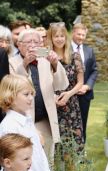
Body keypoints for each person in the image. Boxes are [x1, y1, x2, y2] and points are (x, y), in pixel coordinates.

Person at [8, 29, 68, 161]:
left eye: (37, 41)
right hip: (25, 121)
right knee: (26, 160)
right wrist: (25, 64)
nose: (33, 45)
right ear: (19, 44)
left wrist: (55, 64)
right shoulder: (11, 62)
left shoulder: (45, 60)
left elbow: (62, 85)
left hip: (45, 120)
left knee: (47, 160)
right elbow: (14, 88)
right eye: (29, 41)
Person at [47, 23, 84, 151]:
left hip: (71, 104)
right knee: (56, 147)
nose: (59, 39)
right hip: (53, 104)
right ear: (50, 38)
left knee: (73, 145)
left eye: (62, 35)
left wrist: (68, 94)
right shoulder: (46, 58)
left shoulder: (74, 56)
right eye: (56, 36)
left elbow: (80, 82)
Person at [70, 23, 97, 143]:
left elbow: (94, 70)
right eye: (78, 34)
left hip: (84, 94)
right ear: (73, 33)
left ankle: (81, 151)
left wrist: (87, 86)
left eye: (83, 35)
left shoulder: (89, 50)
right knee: (69, 124)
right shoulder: (65, 49)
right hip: (69, 94)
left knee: (82, 123)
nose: (81, 37)